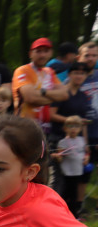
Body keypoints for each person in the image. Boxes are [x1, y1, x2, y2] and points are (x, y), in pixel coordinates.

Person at [52, 62, 91, 215]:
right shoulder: (61, 93)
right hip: (60, 138)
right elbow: (52, 114)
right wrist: (71, 122)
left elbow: (84, 122)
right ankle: (56, 213)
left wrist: (86, 143)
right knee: (60, 180)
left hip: (78, 141)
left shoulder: (84, 96)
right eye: (75, 73)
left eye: (82, 73)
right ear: (69, 75)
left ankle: (74, 212)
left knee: (75, 179)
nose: (79, 76)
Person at [12, 37, 68, 135]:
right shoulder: (23, 70)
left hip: (44, 129)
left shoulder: (50, 72)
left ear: (51, 53)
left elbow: (65, 94)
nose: (42, 55)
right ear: (30, 54)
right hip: (24, 128)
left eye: (46, 51)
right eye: (38, 51)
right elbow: (31, 98)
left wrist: (43, 92)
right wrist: (55, 97)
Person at [53, 115, 89, 217]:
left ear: (80, 129)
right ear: (65, 128)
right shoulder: (63, 142)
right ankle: (61, 213)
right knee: (65, 194)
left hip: (77, 172)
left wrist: (86, 158)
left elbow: (85, 153)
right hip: (67, 173)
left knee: (74, 194)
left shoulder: (81, 140)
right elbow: (60, 158)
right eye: (70, 126)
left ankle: (73, 215)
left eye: (76, 126)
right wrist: (57, 156)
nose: (73, 129)